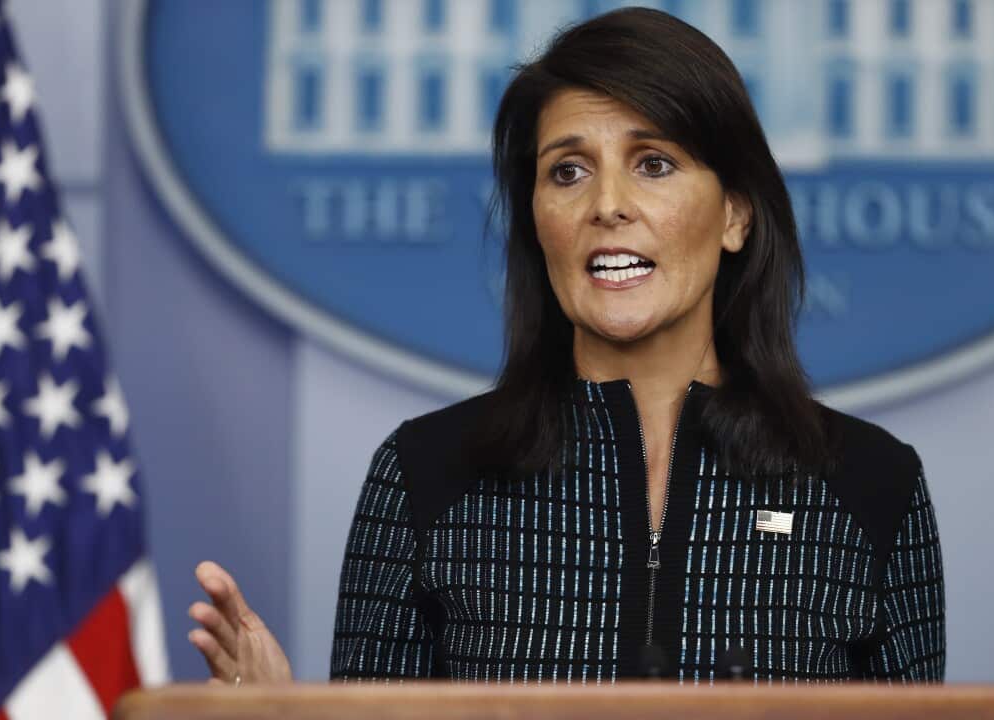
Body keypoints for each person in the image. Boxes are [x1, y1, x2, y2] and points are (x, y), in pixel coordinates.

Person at [186, 7, 945, 683]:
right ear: (537, 219)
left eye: (654, 163)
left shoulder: (870, 483)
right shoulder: (423, 476)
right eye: (568, 171)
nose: (607, 205)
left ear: (735, 215)